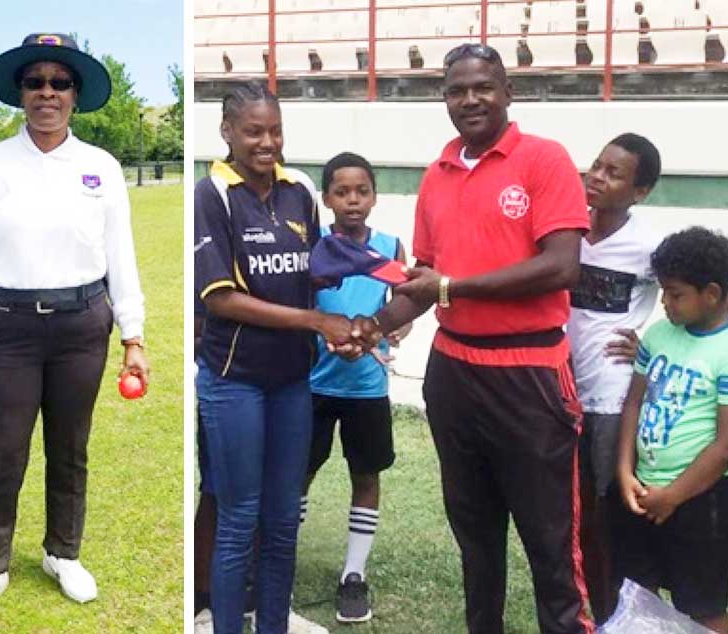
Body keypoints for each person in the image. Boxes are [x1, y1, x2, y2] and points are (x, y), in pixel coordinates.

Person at [352, 42, 595, 633]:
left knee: (551, 544)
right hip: (454, 373)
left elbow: (562, 265)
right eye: (456, 91)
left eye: (482, 86)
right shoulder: (437, 175)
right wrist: (368, 328)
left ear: (508, 90)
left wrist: (451, 287)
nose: (470, 100)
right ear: (444, 100)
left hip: (530, 374)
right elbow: (422, 280)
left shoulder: (543, 159)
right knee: (475, 535)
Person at [0, 33, 148, 625]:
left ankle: (63, 552)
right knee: (1, 453)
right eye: (36, 82)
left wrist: (133, 337)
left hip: (84, 326)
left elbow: (121, 258)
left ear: (75, 95)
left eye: (60, 82)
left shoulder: (100, 168)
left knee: (70, 449)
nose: (47, 92)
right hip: (10, 328)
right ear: (20, 93)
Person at [194, 81, 356, 634]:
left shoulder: (299, 192)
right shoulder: (211, 195)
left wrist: (364, 321)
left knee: (284, 521)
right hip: (234, 381)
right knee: (239, 520)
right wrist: (317, 322)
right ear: (227, 133)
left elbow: (315, 274)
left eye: (276, 130)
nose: (267, 142)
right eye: (253, 131)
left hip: (292, 381)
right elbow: (220, 299)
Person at [612, 227, 728, 634]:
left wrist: (672, 496)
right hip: (643, 491)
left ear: (711, 293)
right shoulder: (659, 335)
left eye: (675, 294)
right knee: (639, 591)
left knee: (702, 606)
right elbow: (634, 402)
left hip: (703, 504)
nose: (665, 303)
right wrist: (624, 471)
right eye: (663, 293)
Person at [302, 152, 410, 623]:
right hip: (311, 385)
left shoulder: (391, 247)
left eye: (361, 191)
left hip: (367, 388)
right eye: (341, 192)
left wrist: (380, 337)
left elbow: (404, 310)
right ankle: (277, 560)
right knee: (296, 475)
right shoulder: (312, 245)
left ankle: (353, 574)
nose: (352, 200)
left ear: (374, 196)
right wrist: (328, 333)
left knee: (366, 477)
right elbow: (301, 308)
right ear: (326, 198)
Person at [567, 133, 662, 623]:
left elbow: (716, 303)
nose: (597, 178)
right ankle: (588, 609)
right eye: (596, 166)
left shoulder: (648, 247)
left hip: (609, 400)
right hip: (558, 392)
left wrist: (652, 343)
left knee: (607, 516)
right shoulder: (566, 230)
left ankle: (616, 615)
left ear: (640, 192)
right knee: (572, 513)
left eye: (614, 173)